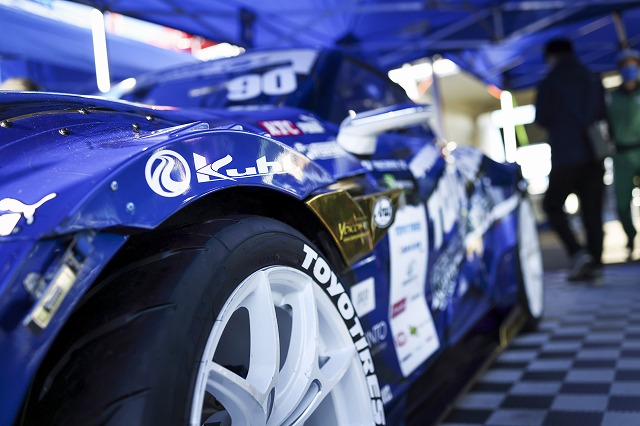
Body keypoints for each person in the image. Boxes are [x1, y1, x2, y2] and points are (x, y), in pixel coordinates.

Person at [535, 38, 607, 282]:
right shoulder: (592, 78)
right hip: (593, 154)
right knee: (592, 212)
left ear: (551, 57)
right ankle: (595, 264)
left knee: (551, 206)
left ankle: (578, 253)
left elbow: (542, 118)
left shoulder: (549, 82)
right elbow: (603, 114)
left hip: (565, 156)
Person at [607, 49, 640, 260]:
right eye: (625, 65)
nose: (630, 69)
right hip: (621, 155)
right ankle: (630, 235)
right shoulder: (611, 98)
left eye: (633, 65)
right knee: (621, 203)